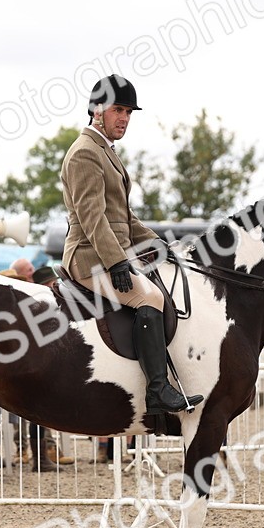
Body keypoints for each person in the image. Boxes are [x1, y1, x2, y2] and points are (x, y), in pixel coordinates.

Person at [61, 74, 202, 414]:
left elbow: (123, 216)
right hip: (88, 256)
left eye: (129, 112)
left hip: (110, 252)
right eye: (118, 110)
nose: (124, 118)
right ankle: (157, 391)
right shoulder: (84, 153)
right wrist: (116, 261)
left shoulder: (104, 151)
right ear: (97, 111)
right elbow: (93, 216)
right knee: (149, 297)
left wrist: (158, 243)